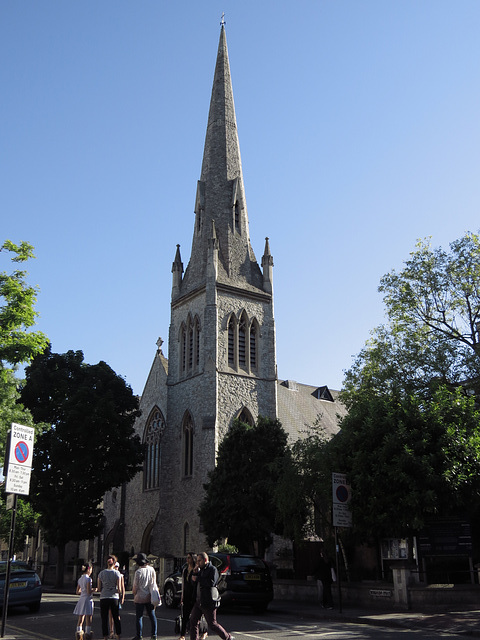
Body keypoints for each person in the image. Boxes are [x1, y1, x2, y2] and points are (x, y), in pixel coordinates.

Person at [189, 552, 234, 640]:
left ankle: (228, 637)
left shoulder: (212, 569)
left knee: (212, 624)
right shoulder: (200, 570)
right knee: (193, 621)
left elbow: (211, 583)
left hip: (208, 601)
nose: (197, 563)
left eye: (199, 561)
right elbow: (193, 583)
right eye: (197, 561)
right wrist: (194, 573)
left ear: (205, 560)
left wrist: (198, 578)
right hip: (199, 601)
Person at [132, 552, 158, 640]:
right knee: (152, 615)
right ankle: (154, 634)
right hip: (150, 596)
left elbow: (135, 587)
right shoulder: (151, 570)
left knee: (139, 617)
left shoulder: (138, 572)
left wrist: (134, 594)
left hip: (140, 597)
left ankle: (139, 635)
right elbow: (154, 582)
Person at [98, 555, 124, 640]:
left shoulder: (101, 573)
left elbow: (99, 588)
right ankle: (118, 635)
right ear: (114, 563)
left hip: (104, 597)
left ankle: (105, 636)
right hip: (114, 597)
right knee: (116, 617)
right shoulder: (117, 573)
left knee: (104, 618)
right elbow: (119, 589)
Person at [178, 552, 197, 640]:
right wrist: (182, 595)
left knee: (195, 617)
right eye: (187, 557)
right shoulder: (185, 570)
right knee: (184, 616)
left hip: (194, 595)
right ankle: (182, 635)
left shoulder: (196, 570)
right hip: (186, 595)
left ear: (193, 559)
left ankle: (204, 632)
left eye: (189, 558)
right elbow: (183, 584)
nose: (187, 559)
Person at [73, 563, 94, 640]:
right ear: (88, 569)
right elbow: (89, 591)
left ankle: (79, 635)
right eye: (91, 569)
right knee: (88, 618)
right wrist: (94, 590)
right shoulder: (88, 579)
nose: (91, 571)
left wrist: (83, 591)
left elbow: (77, 591)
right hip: (87, 599)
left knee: (81, 618)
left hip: (82, 599)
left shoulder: (80, 579)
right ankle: (88, 634)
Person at [109, 562, 125, 638]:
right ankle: (111, 631)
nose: (116, 567)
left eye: (117, 566)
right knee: (110, 614)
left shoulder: (120, 575)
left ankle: (117, 631)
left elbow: (122, 587)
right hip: (110, 596)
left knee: (116, 614)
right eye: (115, 566)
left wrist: (123, 596)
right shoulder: (110, 574)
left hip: (116, 597)